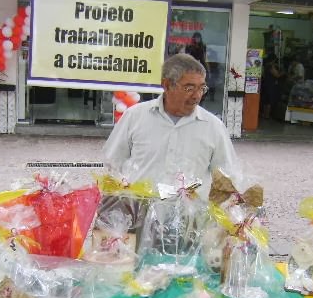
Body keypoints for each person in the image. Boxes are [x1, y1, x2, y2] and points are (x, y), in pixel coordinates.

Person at [101, 53, 238, 199]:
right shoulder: (134, 116)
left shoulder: (214, 127)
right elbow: (113, 165)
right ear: (166, 85)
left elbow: (227, 177)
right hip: (138, 214)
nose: (197, 96)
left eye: (202, 88)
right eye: (189, 88)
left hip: (190, 219)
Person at [261, 54, 282, 120]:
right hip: (270, 85)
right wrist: (283, 73)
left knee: (265, 100)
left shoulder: (265, 65)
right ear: (273, 60)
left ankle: (264, 114)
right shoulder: (271, 66)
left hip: (265, 84)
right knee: (269, 101)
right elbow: (277, 75)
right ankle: (267, 115)